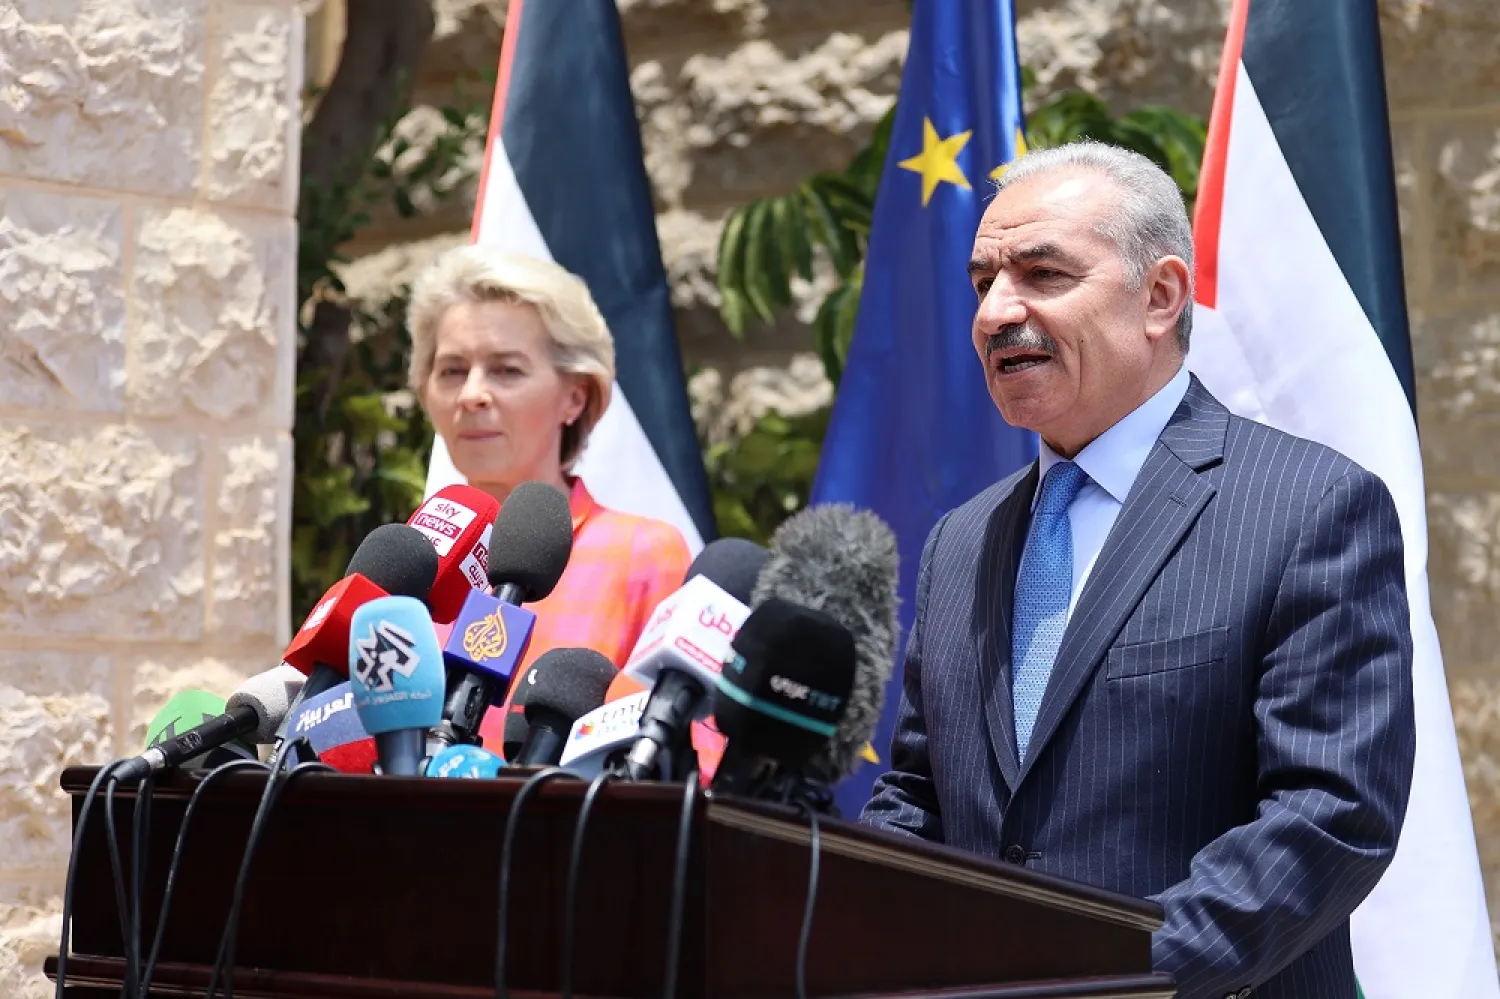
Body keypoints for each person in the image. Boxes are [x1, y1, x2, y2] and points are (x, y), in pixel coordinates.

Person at [861, 142, 1416, 999]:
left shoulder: (1309, 506)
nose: (996, 311)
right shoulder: (960, 541)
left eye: (1042, 273)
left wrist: (1108, 978)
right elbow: (918, 796)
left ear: (1160, 296)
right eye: (983, 281)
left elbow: (1329, 816)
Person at [407, 245, 692, 751]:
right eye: (451, 370)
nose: (472, 394)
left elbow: (683, 759)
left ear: (575, 397)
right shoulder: (409, 559)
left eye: (506, 370)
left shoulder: (642, 552)